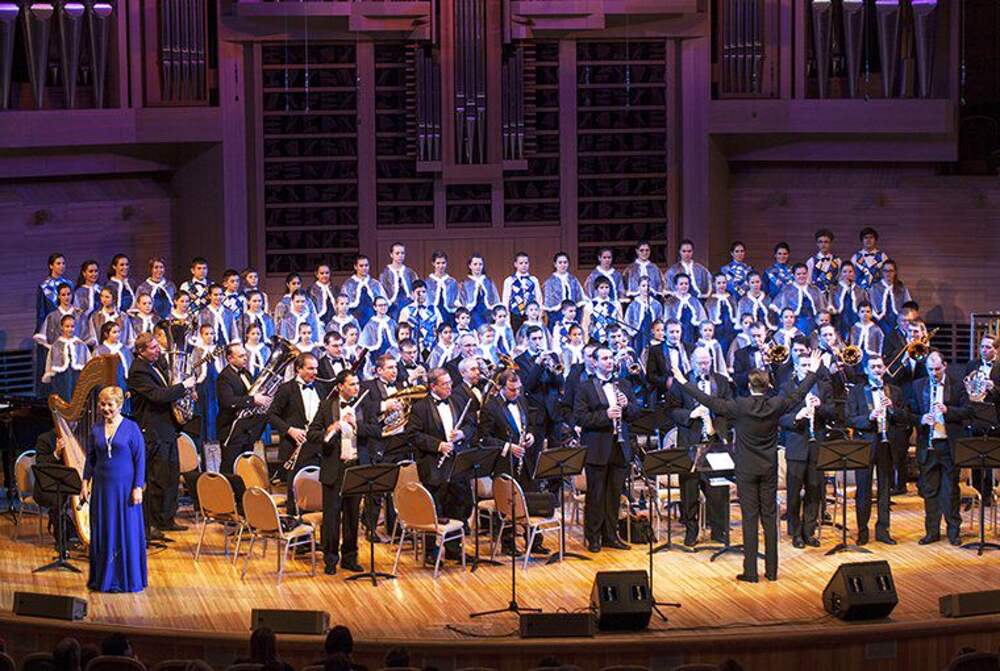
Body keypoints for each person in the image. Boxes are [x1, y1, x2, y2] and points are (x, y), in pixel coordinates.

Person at [672, 350, 820, 582]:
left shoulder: (739, 406)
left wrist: (683, 382)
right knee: (769, 518)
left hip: (746, 470)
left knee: (750, 518)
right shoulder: (776, 404)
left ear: (749, 386)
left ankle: (750, 571)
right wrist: (813, 372)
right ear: (768, 386)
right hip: (768, 469)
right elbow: (799, 393)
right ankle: (772, 571)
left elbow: (709, 401)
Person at [127, 332, 197, 540]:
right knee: (157, 479)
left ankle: (167, 519)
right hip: (153, 430)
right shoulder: (138, 371)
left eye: (157, 346)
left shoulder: (156, 365)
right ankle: (153, 524)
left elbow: (168, 388)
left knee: (170, 476)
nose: (158, 350)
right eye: (153, 348)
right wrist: (183, 387)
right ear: (141, 351)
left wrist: (187, 392)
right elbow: (157, 396)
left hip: (167, 428)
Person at [306, 369, 376, 574]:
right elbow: (312, 434)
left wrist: (357, 426)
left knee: (353, 516)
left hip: (356, 468)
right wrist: (330, 429)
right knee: (332, 516)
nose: (357, 388)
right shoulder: (326, 406)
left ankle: (350, 558)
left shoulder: (364, 405)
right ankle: (330, 559)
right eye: (352, 384)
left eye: (357, 384)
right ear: (340, 387)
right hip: (334, 468)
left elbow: (377, 430)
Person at [404, 367, 476, 560]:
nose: (449, 387)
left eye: (450, 383)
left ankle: (453, 549)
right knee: (434, 508)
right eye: (445, 384)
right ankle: (430, 552)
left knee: (459, 505)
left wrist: (462, 434)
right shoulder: (420, 407)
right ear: (433, 386)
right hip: (433, 465)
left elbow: (471, 424)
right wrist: (438, 445)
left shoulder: (458, 401)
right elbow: (413, 435)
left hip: (456, 464)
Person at [574, 345, 640, 552]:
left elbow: (636, 413)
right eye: (604, 358)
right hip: (597, 448)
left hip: (619, 446)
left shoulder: (624, 384)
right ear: (594, 362)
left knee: (613, 495)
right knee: (596, 495)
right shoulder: (585, 387)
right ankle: (594, 537)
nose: (609, 361)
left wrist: (627, 405)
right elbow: (580, 417)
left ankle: (611, 535)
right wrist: (605, 416)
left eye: (611, 357)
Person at [81, 386, 147, 592]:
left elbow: (140, 460)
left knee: (126, 530)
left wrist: (138, 487)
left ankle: (126, 579)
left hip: (125, 489)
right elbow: (90, 459)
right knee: (104, 529)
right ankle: (104, 579)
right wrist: (85, 482)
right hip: (102, 489)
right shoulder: (96, 429)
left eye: (110, 404)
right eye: (102, 404)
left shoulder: (132, 428)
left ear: (119, 405)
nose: (105, 408)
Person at [907, 351, 973, 546]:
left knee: (950, 491)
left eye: (937, 369)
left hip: (948, 445)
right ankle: (932, 532)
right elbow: (908, 413)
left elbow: (968, 411)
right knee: (930, 491)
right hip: (928, 445)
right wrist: (921, 419)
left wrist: (948, 410)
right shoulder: (918, 385)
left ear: (945, 366)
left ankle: (953, 531)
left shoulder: (957, 385)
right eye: (930, 369)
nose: (934, 373)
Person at [668, 347, 730, 546]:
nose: (704, 366)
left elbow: (729, 409)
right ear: (692, 362)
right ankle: (691, 530)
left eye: (707, 362)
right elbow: (671, 410)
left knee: (717, 489)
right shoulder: (681, 381)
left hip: (714, 442)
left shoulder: (721, 381)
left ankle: (718, 530)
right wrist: (690, 415)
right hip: (690, 442)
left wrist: (716, 427)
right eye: (700, 363)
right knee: (689, 489)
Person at [779, 337, 836, 548]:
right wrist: (797, 416)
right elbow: (780, 418)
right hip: (797, 445)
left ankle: (809, 531)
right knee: (794, 493)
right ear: (796, 367)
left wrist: (820, 407)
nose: (806, 369)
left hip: (816, 444)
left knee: (814, 490)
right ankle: (795, 533)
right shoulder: (787, 388)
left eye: (809, 365)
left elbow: (834, 413)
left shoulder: (822, 387)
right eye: (803, 365)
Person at [847, 354, 906, 545]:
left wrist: (892, 409)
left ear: (884, 368)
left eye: (880, 366)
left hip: (887, 444)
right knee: (863, 490)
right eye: (872, 367)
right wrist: (869, 417)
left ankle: (883, 530)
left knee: (885, 490)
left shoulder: (894, 391)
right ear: (866, 370)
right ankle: (863, 531)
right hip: (866, 444)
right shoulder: (856, 391)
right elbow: (849, 418)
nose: (877, 370)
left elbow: (904, 417)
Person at [269, 354, 322, 515]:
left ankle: (314, 527)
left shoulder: (321, 388)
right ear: (298, 369)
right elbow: (271, 415)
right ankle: (295, 526)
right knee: (295, 492)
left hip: (317, 446)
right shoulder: (286, 389)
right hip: (294, 446)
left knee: (316, 490)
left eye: (316, 368)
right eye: (310, 368)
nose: (315, 372)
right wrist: (290, 430)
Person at [216, 343, 271, 473]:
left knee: (245, 464)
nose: (245, 358)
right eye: (241, 356)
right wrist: (253, 400)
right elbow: (228, 401)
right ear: (230, 359)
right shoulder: (224, 376)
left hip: (246, 428)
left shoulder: (246, 373)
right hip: (231, 428)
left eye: (245, 355)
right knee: (230, 465)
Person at [770, 262, 828, 336]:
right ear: (794, 275)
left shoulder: (815, 290)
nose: (801, 276)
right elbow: (779, 308)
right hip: (794, 325)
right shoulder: (787, 290)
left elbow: (822, 308)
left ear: (807, 274)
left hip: (813, 325)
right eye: (798, 274)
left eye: (804, 273)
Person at [542, 251, 587, 328]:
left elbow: (579, 300)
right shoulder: (550, 282)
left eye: (565, 262)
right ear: (555, 264)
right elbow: (549, 304)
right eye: (560, 262)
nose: (563, 265)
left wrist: (576, 317)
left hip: (573, 316)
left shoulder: (573, 280)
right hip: (557, 316)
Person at [341, 255, 387, 329]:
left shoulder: (375, 284)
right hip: (354, 319)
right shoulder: (349, 284)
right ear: (355, 267)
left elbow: (383, 302)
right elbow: (343, 305)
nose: (364, 268)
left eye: (366, 265)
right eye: (361, 266)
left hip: (372, 320)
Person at [501, 251, 543, 332]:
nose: (524, 265)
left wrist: (539, 315)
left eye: (526, 263)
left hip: (531, 313)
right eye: (521, 263)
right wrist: (507, 318)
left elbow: (539, 298)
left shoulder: (533, 280)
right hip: (515, 313)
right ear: (515, 264)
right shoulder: (509, 280)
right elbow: (505, 300)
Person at [459, 253, 501, 330]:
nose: (478, 267)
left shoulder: (489, 281)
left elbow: (496, 298)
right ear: (470, 266)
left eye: (480, 264)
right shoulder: (465, 283)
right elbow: (462, 301)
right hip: (472, 313)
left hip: (488, 313)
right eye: (475, 264)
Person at [662, 273, 706, 345]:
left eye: (686, 284)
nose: (684, 286)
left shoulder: (694, 301)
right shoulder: (670, 302)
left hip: (693, 334)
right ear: (676, 286)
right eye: (681, 284)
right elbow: (667, 320)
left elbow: (702, 318)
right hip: (676, 335)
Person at [379, 242, 419, 321]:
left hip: (408, 306)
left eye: (402, 253)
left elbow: (417, 288)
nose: (400, 255)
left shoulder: (410, 273)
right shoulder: (385, 274)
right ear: (391, 254)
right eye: (397, 253)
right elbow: (382, 292)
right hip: (392, 308)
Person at [136, 257, 176, 321]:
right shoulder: (143, 288)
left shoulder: (170, 285)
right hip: (151, 321)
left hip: (170, 319)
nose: (159, 270)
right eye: (156, 267)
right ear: (151, 269)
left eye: (161, 267)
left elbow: (176, 303)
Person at [804, 228, 841, 293]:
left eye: (826, 242)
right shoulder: (811, 261)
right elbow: (808, 282)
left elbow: (840, 280)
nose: (823, 244)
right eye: (820, 242)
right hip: (817, 295)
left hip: (833, 295)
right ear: (817, 243)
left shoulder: (837, 261)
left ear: (830, 243)